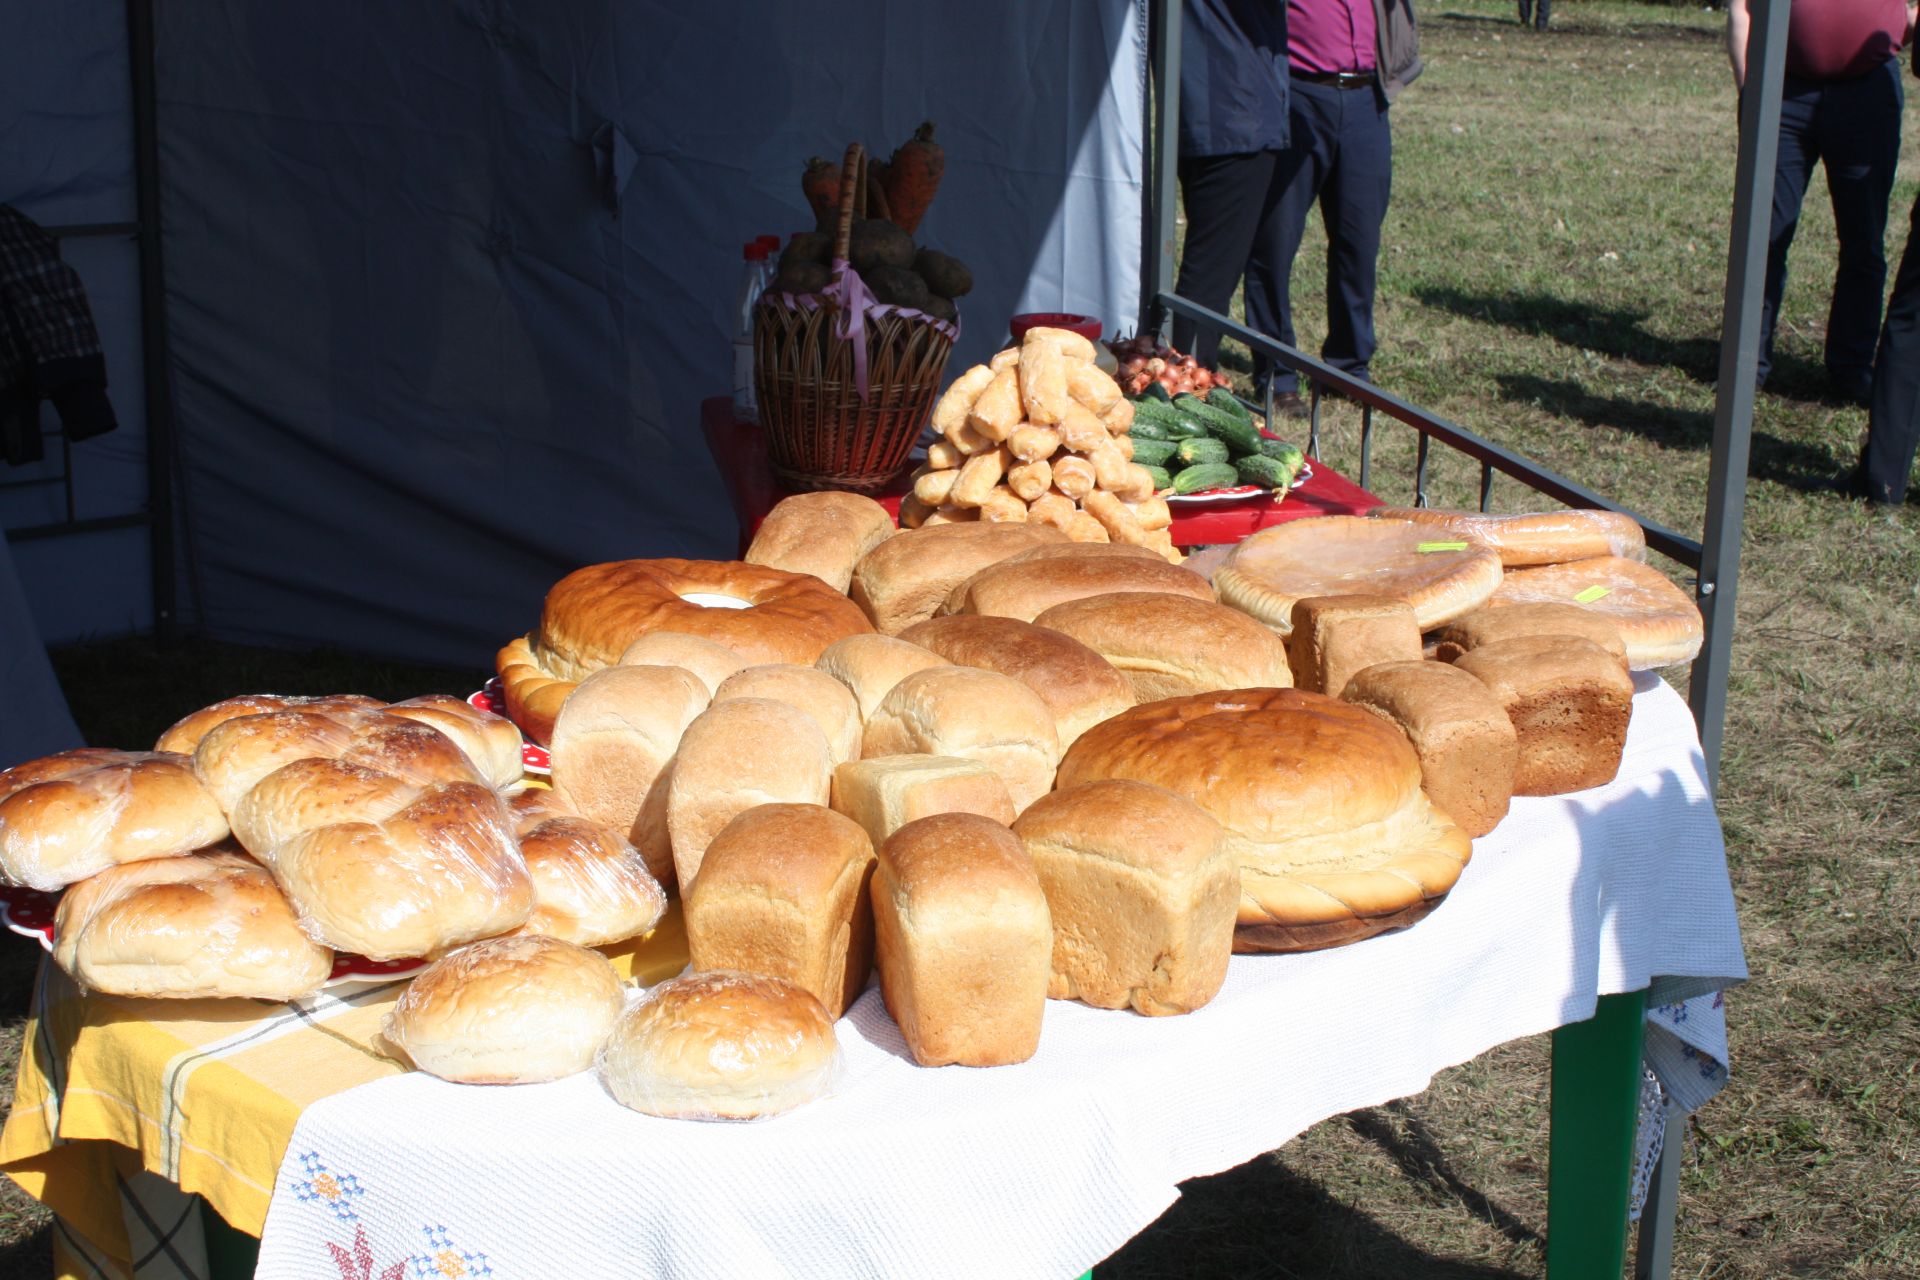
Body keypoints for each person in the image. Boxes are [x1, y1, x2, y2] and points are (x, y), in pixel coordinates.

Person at [1728, 0, 1910, 404]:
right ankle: (1744, 364)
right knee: (1762, 234)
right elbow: (1741, 7)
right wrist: (1751, 87)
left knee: (1864, 239)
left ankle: (1851, 368)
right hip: (1783, 88)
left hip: (1867, 92)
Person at [1257, 0, 1422, 416]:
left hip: (1366, 97)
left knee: (1359, 240)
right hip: (1296, 93)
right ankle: (1278, 374)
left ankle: (1348, 368)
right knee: (1274, 244)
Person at [1168, 1, 1292, 380]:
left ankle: (1185, 380)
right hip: (1232, 116)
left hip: (1229, 111)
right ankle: (1184, 390)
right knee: (1208, 281)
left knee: (1212, 274)